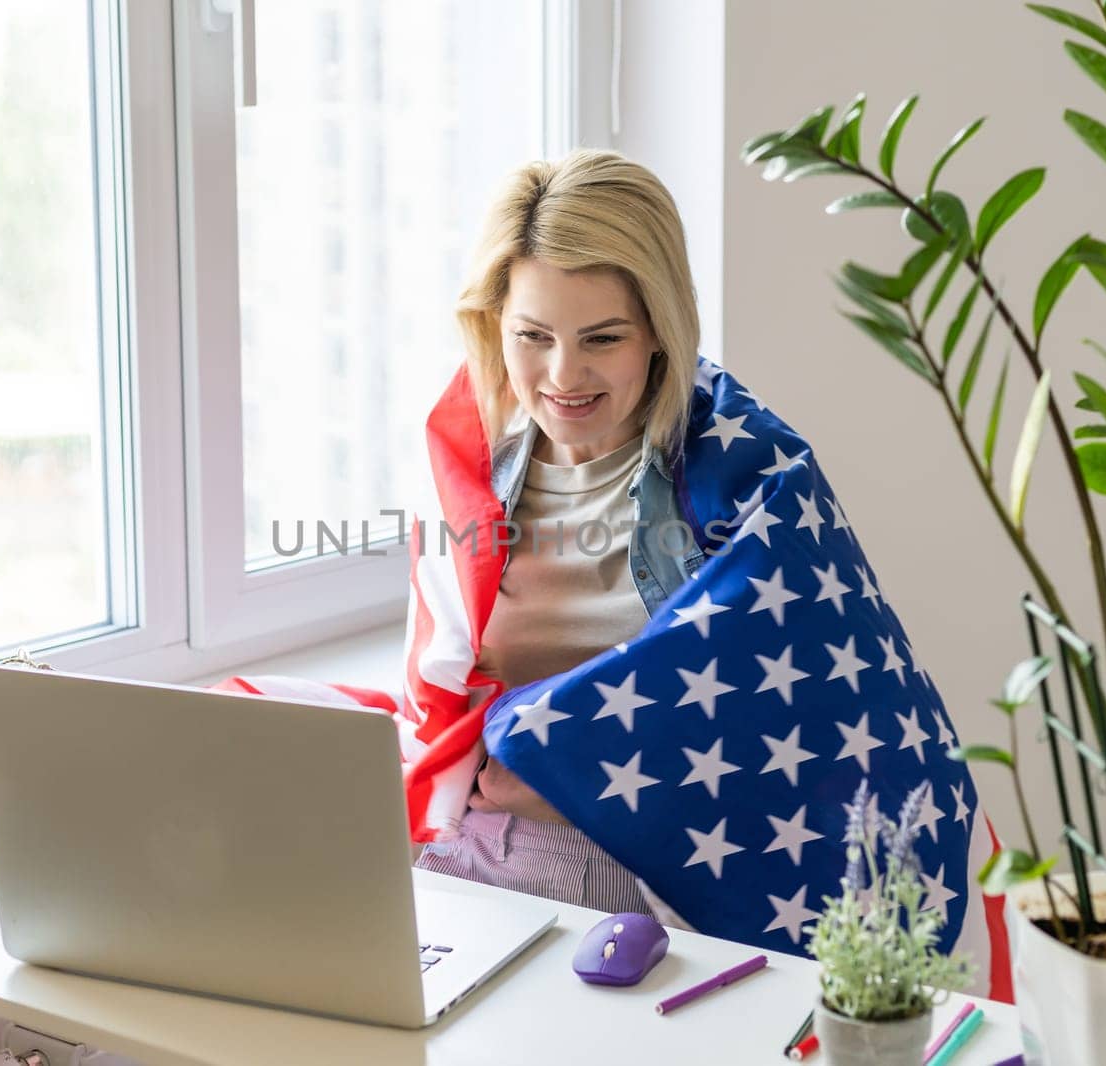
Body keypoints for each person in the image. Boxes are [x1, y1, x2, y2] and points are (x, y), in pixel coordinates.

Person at [221, 149, 1011, 1000]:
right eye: (532, 337)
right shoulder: (471, 461)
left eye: (602, 338)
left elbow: (796, 724)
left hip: (637, 866)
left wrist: (573, 771)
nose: (562, 376)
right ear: (495, 327)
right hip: (475, 834)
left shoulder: (756, 479)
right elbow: (441, 698)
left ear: (660, 331)